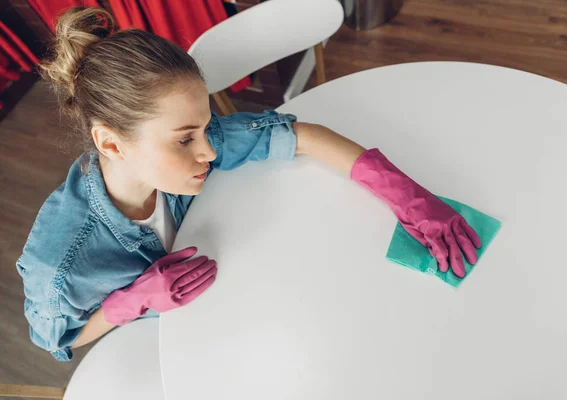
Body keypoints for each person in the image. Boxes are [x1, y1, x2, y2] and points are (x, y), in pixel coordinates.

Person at [16, 7, 481, 361]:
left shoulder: (187, 147)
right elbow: (56, 338)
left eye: (203, 129)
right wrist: (129, 304)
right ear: (113, 145)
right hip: (188, 341)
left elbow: (298, 136)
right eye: (185, 140)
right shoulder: (59, 264)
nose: (210, 152)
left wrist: (408, 195)